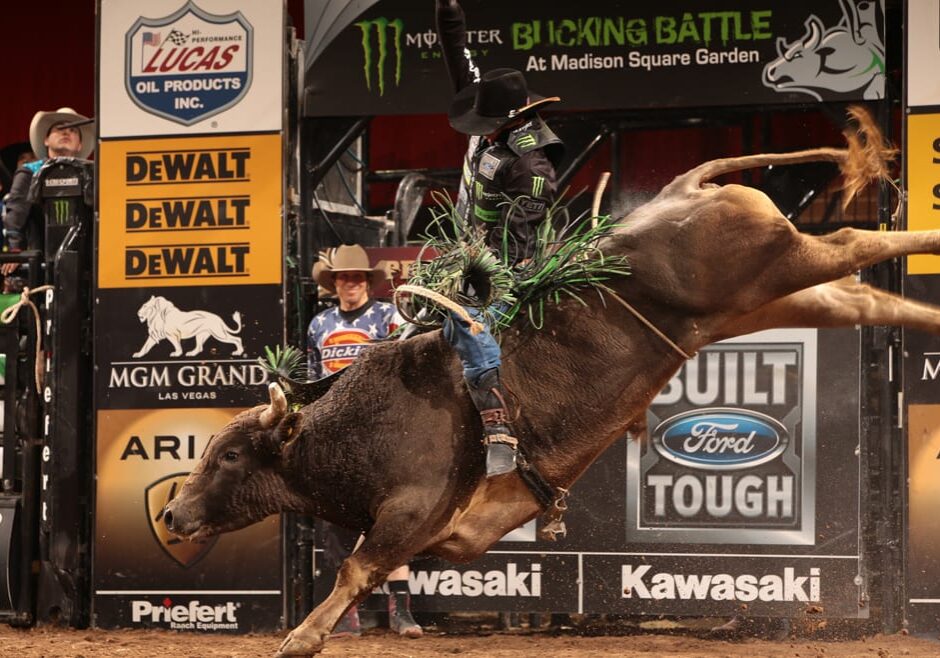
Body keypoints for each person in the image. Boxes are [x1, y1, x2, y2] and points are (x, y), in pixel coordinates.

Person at [435, 0, 564, 477]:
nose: (481, 132)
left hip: (509, 263)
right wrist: (448, 14)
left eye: (489, 128)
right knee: (427, 326)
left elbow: (520, 236)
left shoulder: (530, 165)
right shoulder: (488, 105)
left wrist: (481, 269)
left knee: (466, 320)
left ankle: (498, 427)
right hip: (467, 252)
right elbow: (457, 56)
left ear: (511, 122)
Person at [307, 244, 423, 639]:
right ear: (334, 282)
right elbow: (312, 377)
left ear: (368, 283)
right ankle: (346, 616)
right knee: (336, 522)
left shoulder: (389, 316)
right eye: (344, 277)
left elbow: (405, 367)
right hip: (332, 434)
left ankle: (401, 612)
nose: (350, 283)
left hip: (380, 432)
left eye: (357, 277)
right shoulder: (319, 325)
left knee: (393, 520)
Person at [1, 108, 93, 276]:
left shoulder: (92, 173)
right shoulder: (29, 172)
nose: (66, 132)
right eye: (59, 129)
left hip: (86, 263)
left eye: (73, 130)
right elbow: (15, 213)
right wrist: (15, 250)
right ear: (46, 140)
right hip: (40, 264)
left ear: (79, 144)